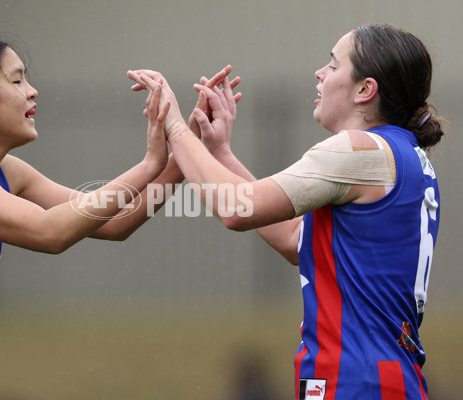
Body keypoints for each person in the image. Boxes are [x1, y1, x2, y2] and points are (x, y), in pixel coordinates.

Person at [0, 33, 236, 399]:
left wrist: (189, 146)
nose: (32, 90)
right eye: (16, 80)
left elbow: (115, 221)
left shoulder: (2, 172)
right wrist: (150, 162)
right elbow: (50, 233)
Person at [129, 23, 444, 400]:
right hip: (382, 376)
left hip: (355, 380)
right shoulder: (405, 156)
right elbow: (297, 239)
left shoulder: (359, 150)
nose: (320, 73)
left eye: (332, 64)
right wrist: (221, 154)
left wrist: (175, 125)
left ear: (365, 89)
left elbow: (235, 208)